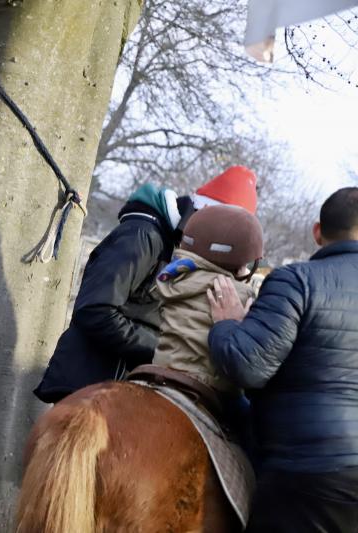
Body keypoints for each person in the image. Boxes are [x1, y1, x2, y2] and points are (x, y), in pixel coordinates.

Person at [33, 166, 259, 404]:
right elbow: (95, 309)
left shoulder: (179, 249)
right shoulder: (142, 235)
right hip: (91, 384)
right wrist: (165, 350)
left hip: (124, 389)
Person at [208, 186, 358, 531]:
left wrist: (227, 324)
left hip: (306, 472)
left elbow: (247, 365)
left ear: (317, 231)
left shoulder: (297, 281)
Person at [151, 204, 262, 430]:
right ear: (244, 259)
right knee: (257, 440)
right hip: (212, 388)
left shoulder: (173, 278)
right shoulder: (239, 294)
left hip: (161, 372)